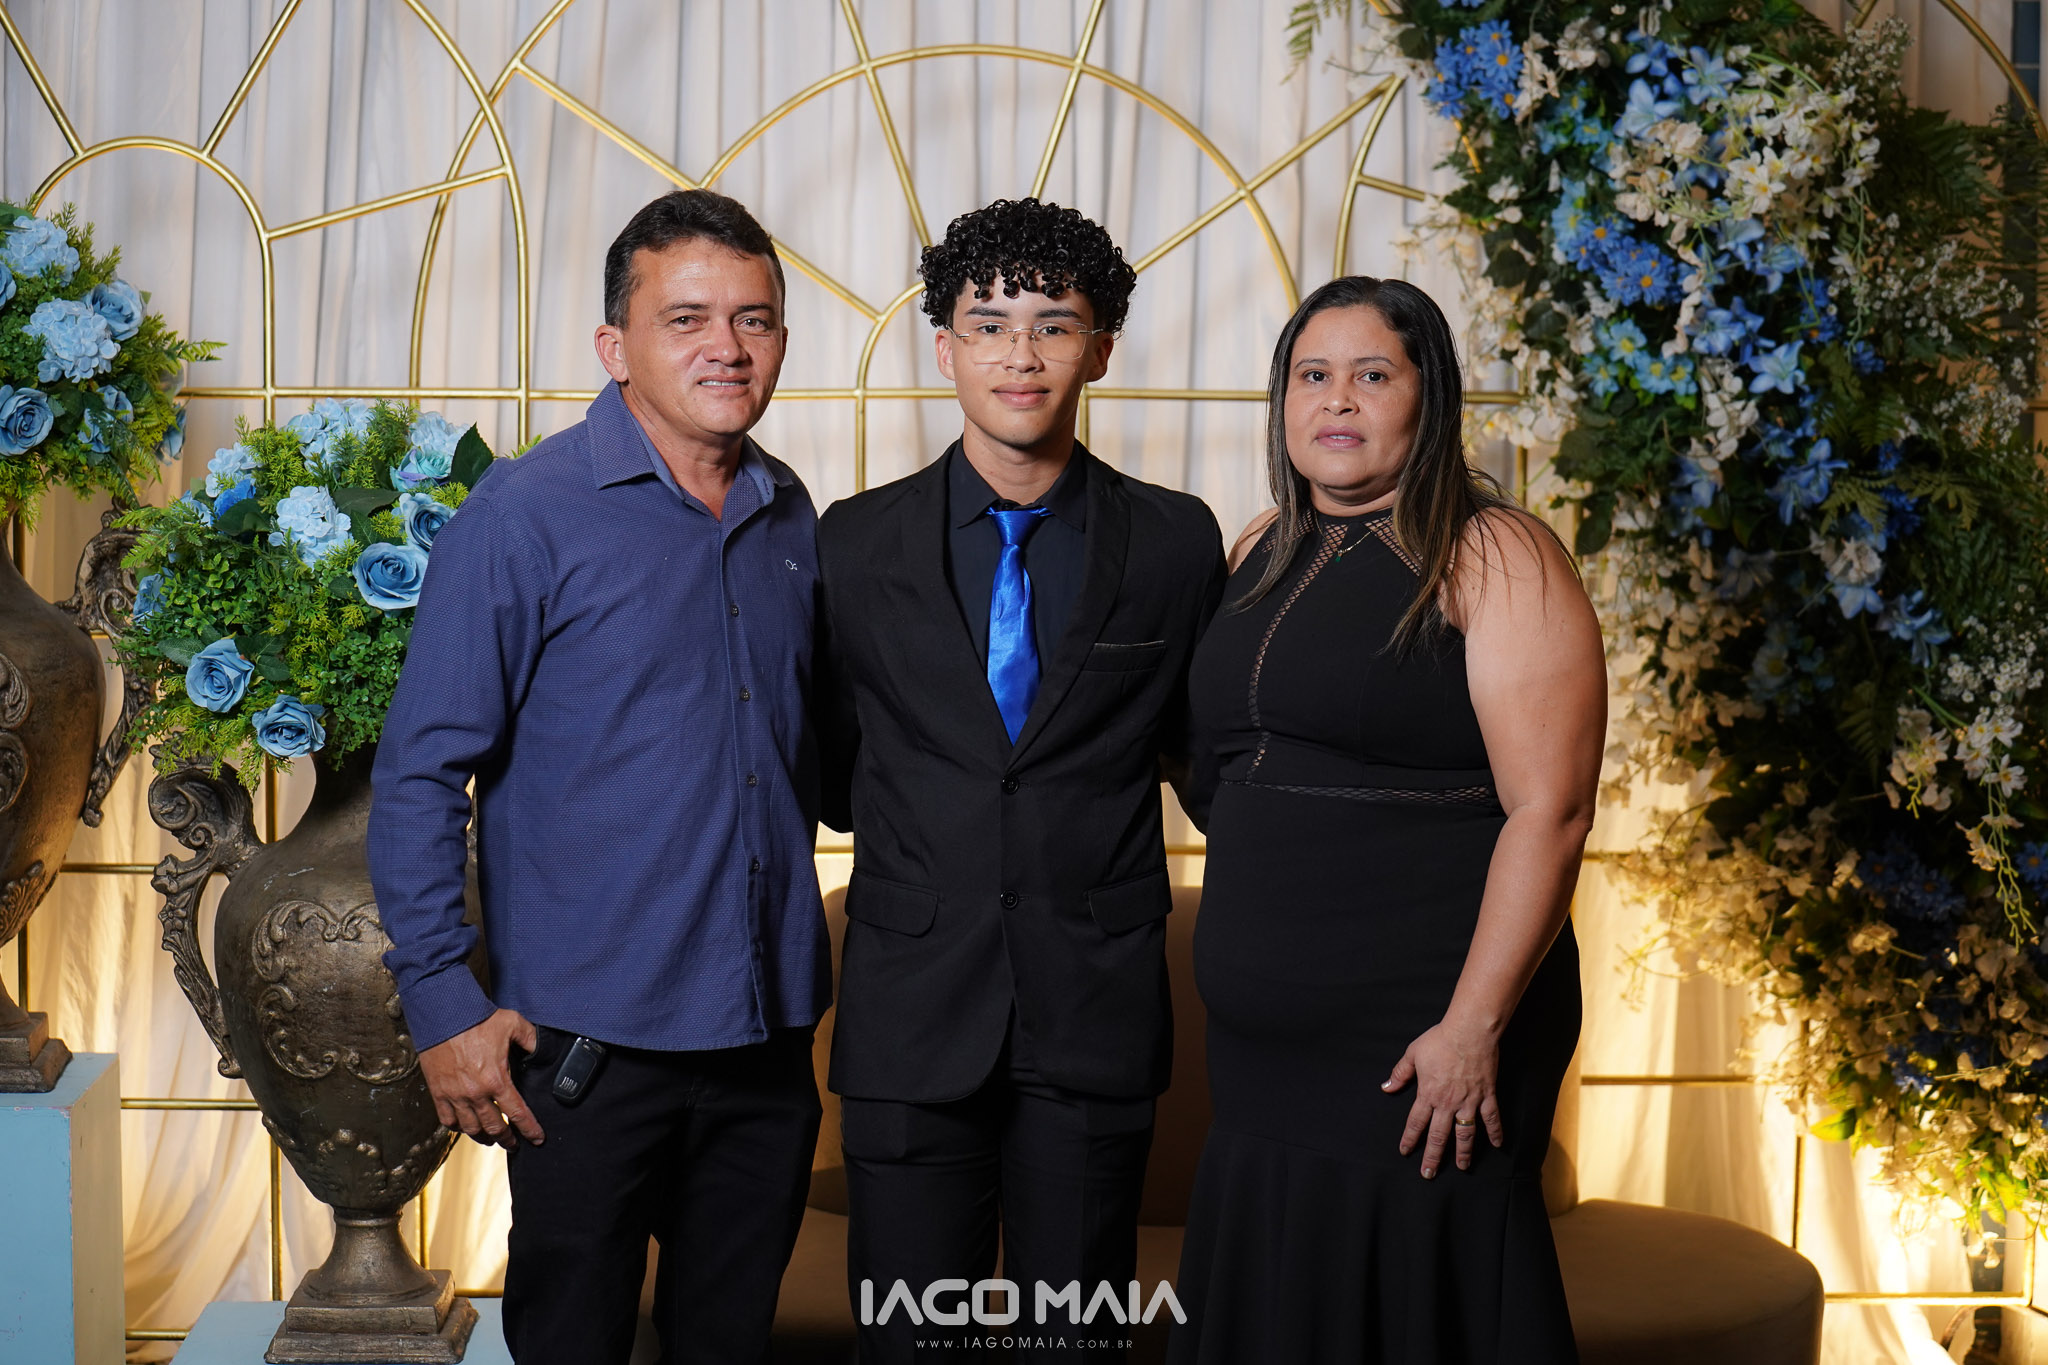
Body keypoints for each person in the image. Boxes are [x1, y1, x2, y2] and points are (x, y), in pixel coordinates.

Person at [368, 189, 830, 1365]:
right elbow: (420, 774)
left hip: (766, 1043)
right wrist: (442, 1003)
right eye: (686, 319)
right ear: (613, 347)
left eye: (753, 319)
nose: (727, 348)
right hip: (582, 1055)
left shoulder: (789, 514)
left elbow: (822, 756)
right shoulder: (523, 515)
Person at [815, 197, 1225, 1362]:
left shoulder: (1174, 542)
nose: (1019, 354)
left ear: (1100, 349)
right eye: (988, 325)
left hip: (1092, 1009)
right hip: (908, 1013)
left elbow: (1206, 759)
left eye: (1053, 325)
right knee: (908, 1340)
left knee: (1073, 1339)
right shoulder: (853, 543)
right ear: (943, 347)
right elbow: (832, 768)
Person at [1169, 276, 1605, 1364]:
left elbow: (1550, 812)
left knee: (1415, 1309)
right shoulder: (1261, 545)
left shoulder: (1494, 553)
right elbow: (1229, 769)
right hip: (1263, 1063)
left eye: (1372, 374)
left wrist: (1472, 1029)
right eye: (1311, 375)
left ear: (1429, 395)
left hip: (1423, 1041)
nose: (1337, 400)